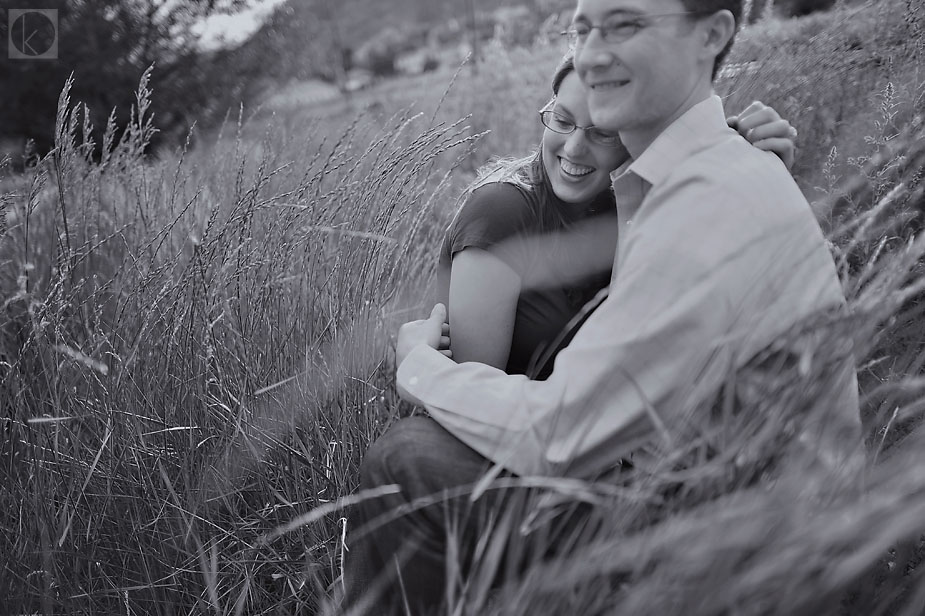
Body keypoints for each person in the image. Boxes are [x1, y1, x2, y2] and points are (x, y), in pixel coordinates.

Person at [344, 1, 862, 613]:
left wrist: (418, 366)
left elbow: (561, 436)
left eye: (625, 25)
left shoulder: (703, 199)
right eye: (584, 29)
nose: (591, 54)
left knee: (409, 459)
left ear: (711, 35)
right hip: (696, 491)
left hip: (745, 541)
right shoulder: (683, 178)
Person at [439, 54, 798, 379]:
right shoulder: (501, 211)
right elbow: (468, 389)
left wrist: (759, 172)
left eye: (603, 133)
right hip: (511, 436)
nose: (575, 148)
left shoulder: (632, 204)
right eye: (562, 120)